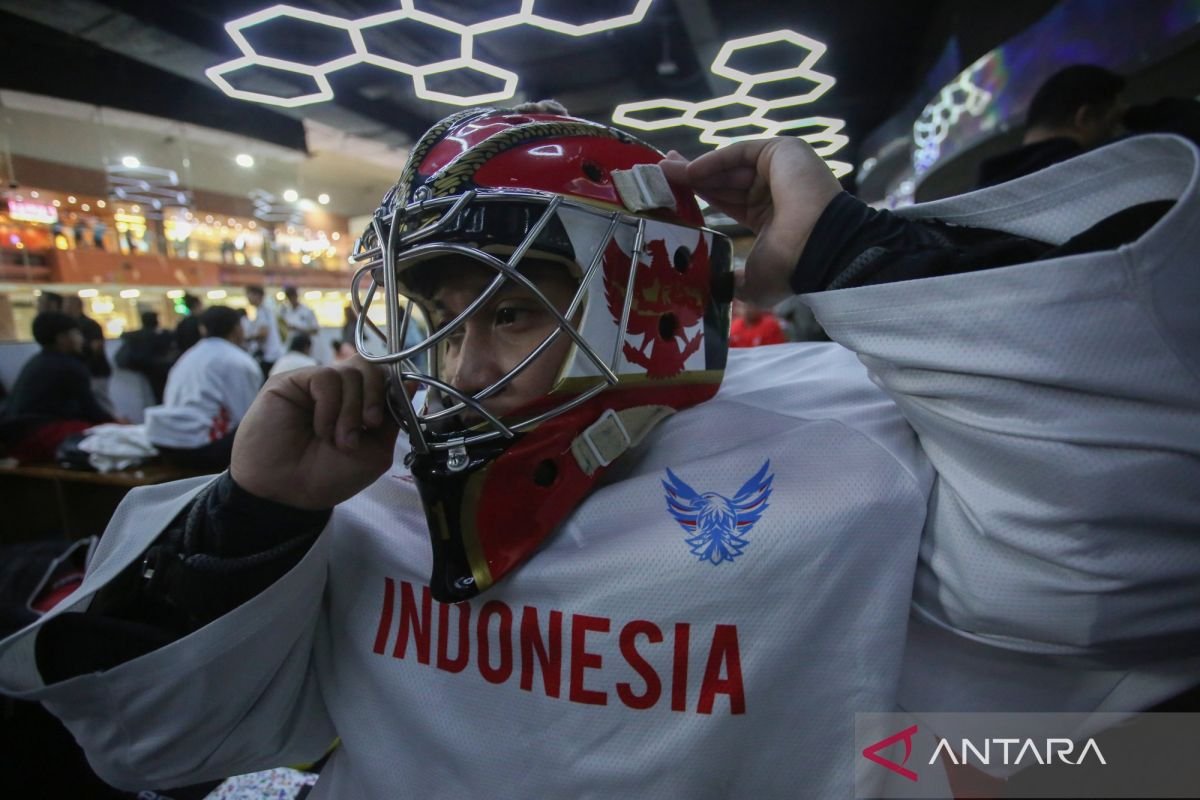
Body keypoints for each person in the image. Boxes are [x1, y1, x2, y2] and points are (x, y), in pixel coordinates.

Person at [0, 107, 1197, 800]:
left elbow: (1132, 562)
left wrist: (847, 242)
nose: (461, 364)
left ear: (650, 301)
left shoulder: (846, 447)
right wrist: (254, 511)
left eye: (515, 308)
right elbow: (150, 734)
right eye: (443, 316)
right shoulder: (358, 476)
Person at [142, 306, 263, 472]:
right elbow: (248, 418)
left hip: (167, 441)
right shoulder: (238, 361)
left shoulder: (188, 356)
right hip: (202, 446)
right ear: (237, 328)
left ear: (203, 329)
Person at [976, 64, 1126, 187]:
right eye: (1114, 123)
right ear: (1085, 118)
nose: (1117, 134)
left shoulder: (981, 195)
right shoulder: (1107, 182)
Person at [0, 311, 113, 461]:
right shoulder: (69, 366)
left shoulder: (37, 361)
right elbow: (92, 411)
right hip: (37, 435)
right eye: (76, 334)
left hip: (13, 436)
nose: (81, 339)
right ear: (62, 338)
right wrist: (117, 423)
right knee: (106, 435)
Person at [115, 311, 175, 402]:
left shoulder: (136, 335)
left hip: (141, 366)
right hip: (157, 368)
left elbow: (123, 335)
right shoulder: (159, 335)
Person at [243, 285, 283, 377]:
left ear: (257, 295)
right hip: (270, 354)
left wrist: (247, 338)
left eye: (249, 295)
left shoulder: (263, 311)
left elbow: (263, 333)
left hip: (270, 355)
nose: (248, 298)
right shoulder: (262, 310)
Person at [280, 286, 320, 351]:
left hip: (304, 346)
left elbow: (315, 330)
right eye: (289, 297)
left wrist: (298, 329)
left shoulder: (307, 311)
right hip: (290, 345)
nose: (291, 299)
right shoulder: (286, 312)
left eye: (292, 296)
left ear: (296, 296)